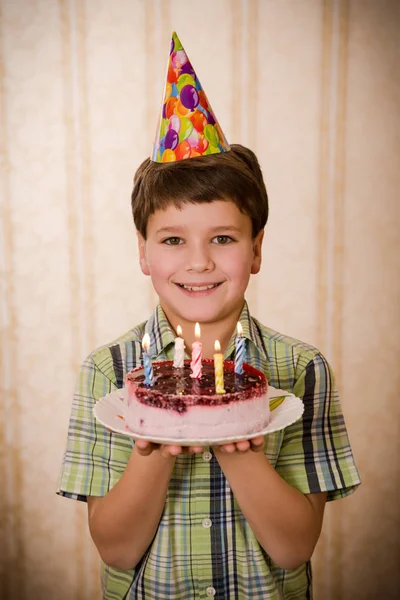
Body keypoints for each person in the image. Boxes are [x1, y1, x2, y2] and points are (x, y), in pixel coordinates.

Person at [57, 33, 360, 600]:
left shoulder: (300, 369)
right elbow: (116, 550)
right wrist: (152, 446)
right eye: (173, 239)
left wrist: (233, 434)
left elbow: (295, 547)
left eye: (223, 237)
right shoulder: (110, 372)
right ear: (143, 252)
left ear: (258, 250)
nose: (198, 262)